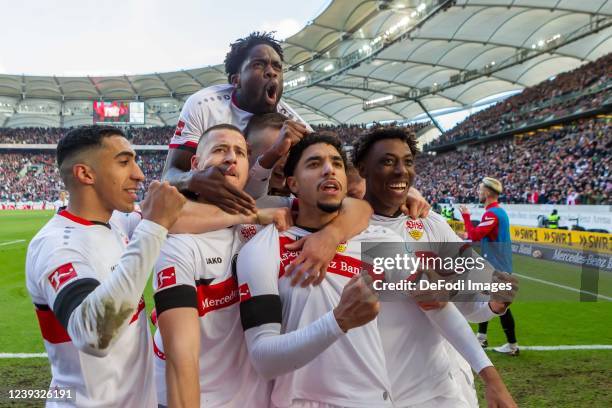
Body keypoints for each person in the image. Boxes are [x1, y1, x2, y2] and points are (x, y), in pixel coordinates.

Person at [353, 128, 517, 407]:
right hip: (376, 390)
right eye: (388, 161)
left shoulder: (432, 223)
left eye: (408, 162)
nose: (401, 171)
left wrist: (495, 302)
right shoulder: (345, 231)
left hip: (441, 388)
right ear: (362, 170)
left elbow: (468, 304)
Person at [25, 126, 186, 406]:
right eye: (124, 162)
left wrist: (261, 215)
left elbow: (183, 218)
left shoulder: (117, 221)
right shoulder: (57, 247)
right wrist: (154, 227)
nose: (138, 173)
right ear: (85, 174)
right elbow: (94, 335)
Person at [236, 134, 399, 407]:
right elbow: (263, 358)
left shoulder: (379, 240)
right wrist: (339, 321)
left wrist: (493, 299)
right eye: (314, 164)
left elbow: (441, 293)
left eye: (336, 163)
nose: (329, 169)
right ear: (293, 184)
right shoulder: (265, 247)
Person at [162, 32, 309, 215]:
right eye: (258, 64)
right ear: (236, 79)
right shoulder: (203, 105)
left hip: (259, 217)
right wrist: (193, 179)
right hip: (202, 215)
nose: (271, 72)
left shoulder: (293, 125)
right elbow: (168, 177)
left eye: (277, 67)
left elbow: (349, 187)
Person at [460, 178, 519, 356]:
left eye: (480, 190)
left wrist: (466, 217)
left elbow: (475, 234)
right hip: (496, 266)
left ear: (487, 193)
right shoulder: (497, 212)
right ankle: (482, 337)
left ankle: (512, 345)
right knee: (484, 299)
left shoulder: (492, 213)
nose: (478, 193)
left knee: (501, 306)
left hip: (497, 267)